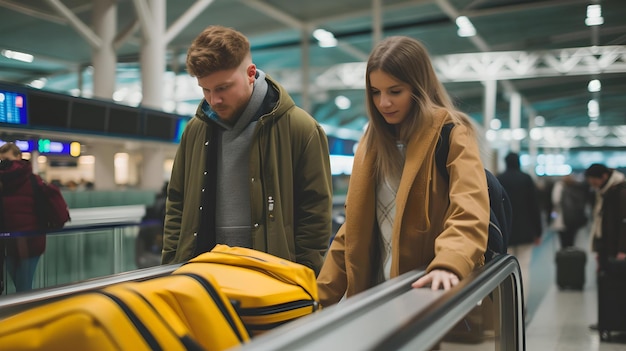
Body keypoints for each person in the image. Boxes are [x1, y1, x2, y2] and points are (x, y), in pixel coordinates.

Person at [316, 36, 490, 307]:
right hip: (373, 297)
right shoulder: (371, 142)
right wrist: (318, 298)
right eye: (375, 92)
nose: (383, 103)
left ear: (418, 88)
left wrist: (449, 263)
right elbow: (352, 230)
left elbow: (469, 210)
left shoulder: (452, 134)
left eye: (395, 91)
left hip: (426, 291)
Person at [161, 25, 333, 275]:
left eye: (223, 88)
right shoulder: (195, 131)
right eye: (205, 89)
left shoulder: (300, 128)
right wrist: (170, 267)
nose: (213, 100)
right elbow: (176, 202)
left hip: (274, 277)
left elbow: (315, 212)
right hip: (202, 274)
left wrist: (303, 274)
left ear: (251, 73)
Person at [496, 152, 542, 306]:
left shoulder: (499, 179)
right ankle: (522, 305)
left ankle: (509, 306)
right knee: (524, 266)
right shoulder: (526, 179)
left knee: (506, 270)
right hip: (525, 231)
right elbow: (534, 207)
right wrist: (538, 231)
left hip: (505, 232)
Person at [0, 142, 47, 292]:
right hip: (9, 244)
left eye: (8, 160)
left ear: (19, 157)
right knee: (18, 284)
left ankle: (29, 314)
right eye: (2, 161)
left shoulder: (33, 180)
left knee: (23, 287)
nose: (5, 165)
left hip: (30, 242)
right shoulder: (2, 182)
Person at [551, 174, 589, 248]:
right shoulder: (578, 187)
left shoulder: (559, 186)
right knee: (572, 240)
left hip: (561, 219)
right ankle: (572, 255)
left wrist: (553, 217)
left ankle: (565, 255)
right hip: (575, 218)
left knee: (563, 241)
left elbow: (555, 201)